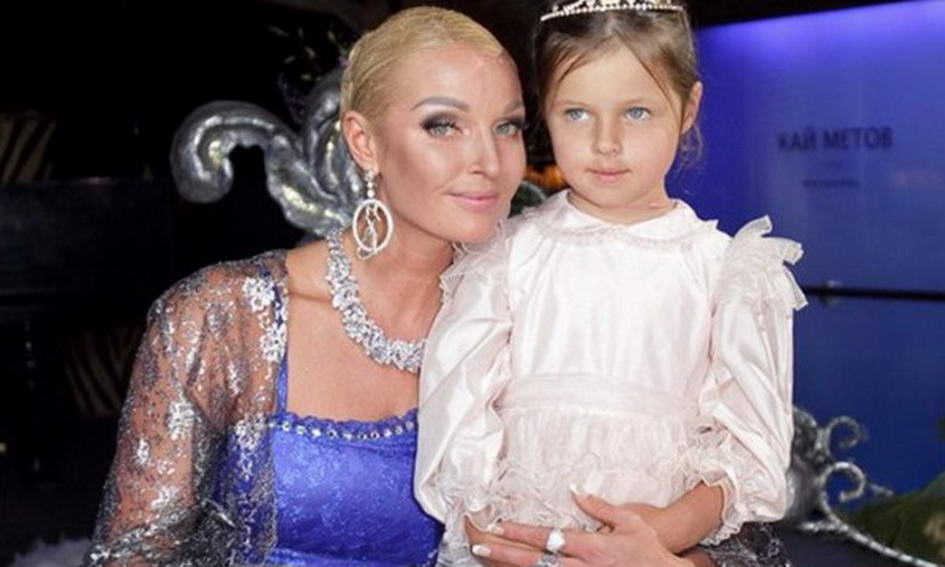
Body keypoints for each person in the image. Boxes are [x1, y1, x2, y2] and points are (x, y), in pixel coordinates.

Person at [82, 7, 528, 565]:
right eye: (443, 125)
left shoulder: (531, 317)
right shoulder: (225, 317)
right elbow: (134, 556)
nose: (489, 161)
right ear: (364, 143)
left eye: (508, 126)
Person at [414, 0, 807, 565]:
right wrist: (496, 539)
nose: (606, 142)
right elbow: (458, 418)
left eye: (637, 112)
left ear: (689, 107)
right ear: (544, 108)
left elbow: (749, 451)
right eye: (577, 113)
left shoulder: (727, 270)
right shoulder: (504, 255)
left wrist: (658, 536)